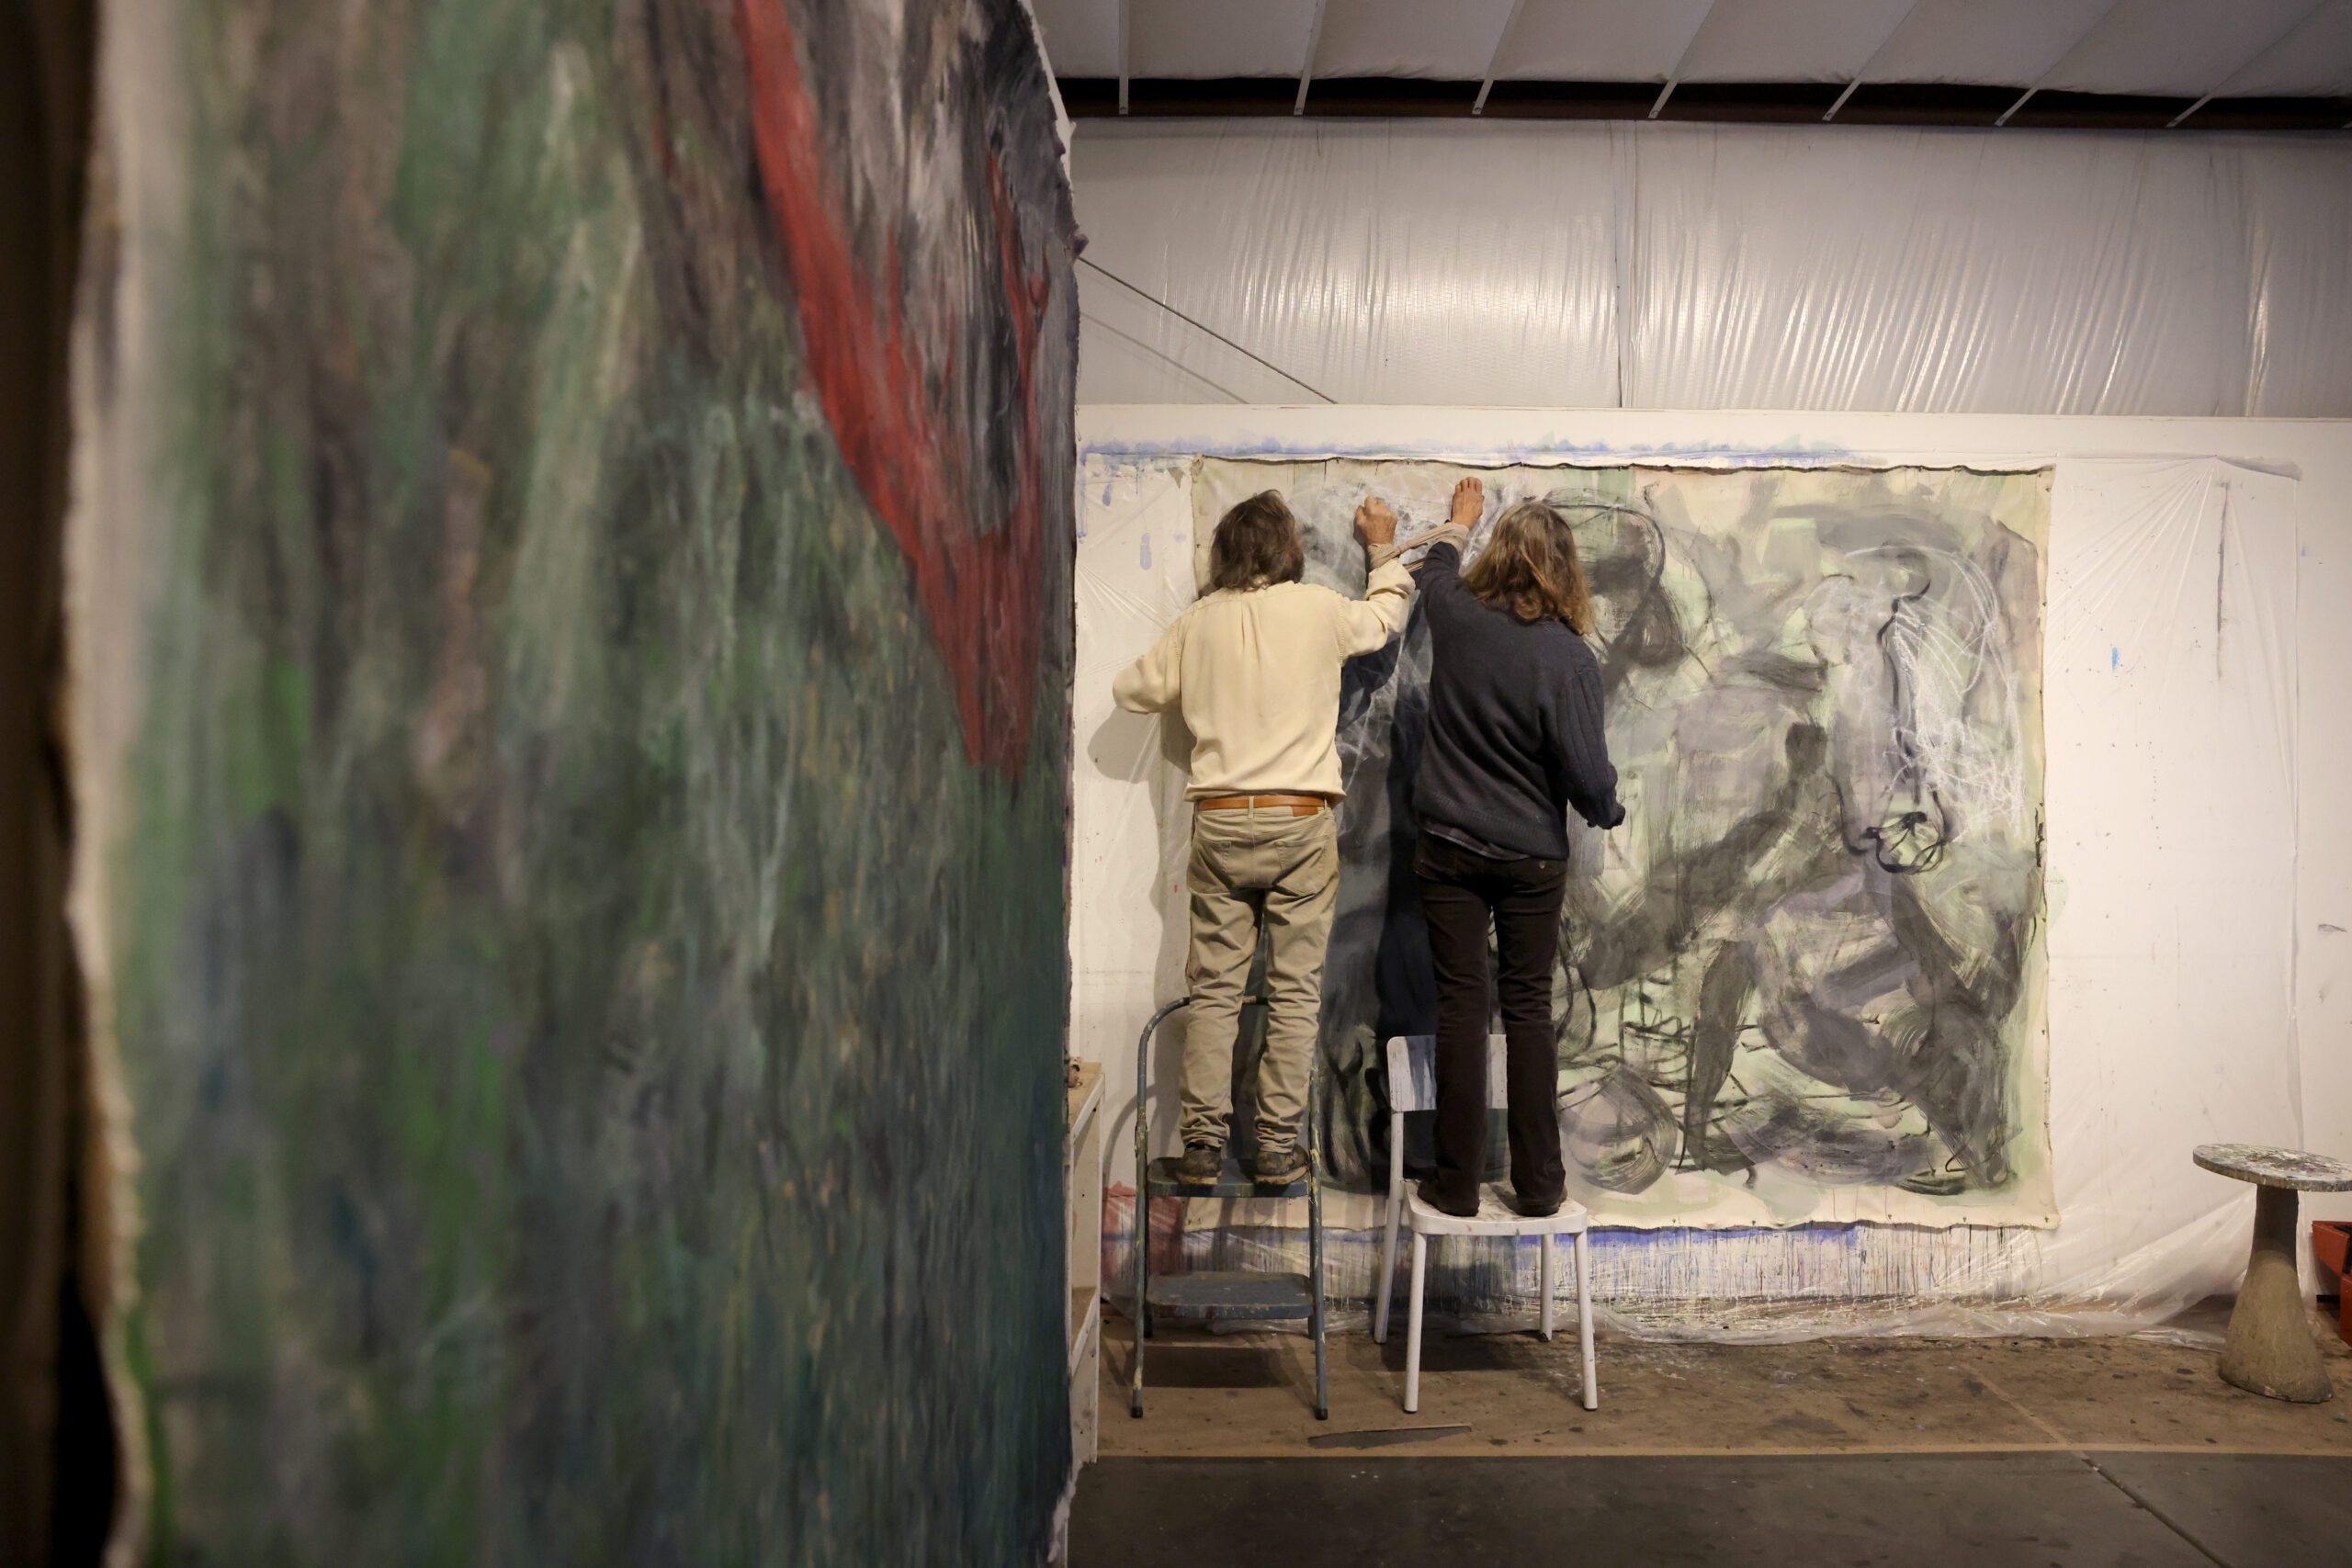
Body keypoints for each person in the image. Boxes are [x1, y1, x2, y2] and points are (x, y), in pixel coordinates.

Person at [1114, 490, 1412, 1184]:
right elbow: (1384, 619)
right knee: (1294, 990)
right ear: (1289, 552)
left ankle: (1201, 1145)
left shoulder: (1198, 622)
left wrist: (1200, 670)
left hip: (1220, 818)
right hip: (1300, 817)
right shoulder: (1315, 609)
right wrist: (1380, 548)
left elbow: (1133, 690)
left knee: (1215, 990)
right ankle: (1278, 1147)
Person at [1405, 477, 1623, 1217]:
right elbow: (1590, 779)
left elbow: (1433, 572)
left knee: (1462, 1006)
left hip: (1447, 846)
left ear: (1498, 555)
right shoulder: (1569, 659)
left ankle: (1457, 1182)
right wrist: (1606, 806)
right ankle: (1538, 1185)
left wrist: (1457, 519)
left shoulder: (1457, 616)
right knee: (1527, 1010)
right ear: (1563, 570)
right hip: (1531, 858)